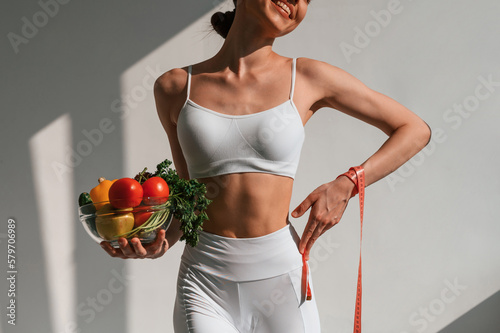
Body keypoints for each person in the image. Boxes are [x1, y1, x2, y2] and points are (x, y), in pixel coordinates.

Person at [100, 0, 432, 332]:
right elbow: (189, 201)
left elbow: (414, 130)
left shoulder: (307, 77)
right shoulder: (174, 88)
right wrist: (158, 242)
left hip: (281, 282)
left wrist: (347, 184)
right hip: (204, 284)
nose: (298, 2)